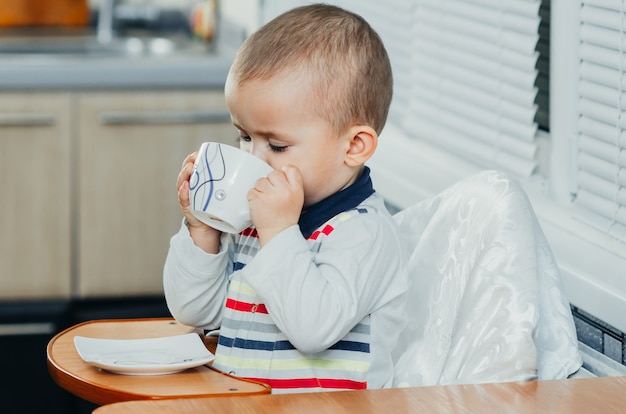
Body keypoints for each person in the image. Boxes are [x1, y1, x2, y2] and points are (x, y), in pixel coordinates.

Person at [164, 4, 408, 393]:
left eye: (276, 145)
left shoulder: (364, 233)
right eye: (244, 136)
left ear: (355, 146)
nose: (252, 159)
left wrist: (278, 233)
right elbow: (195, 313)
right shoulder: (254, 221)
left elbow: (313, 329)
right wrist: (202, 233)